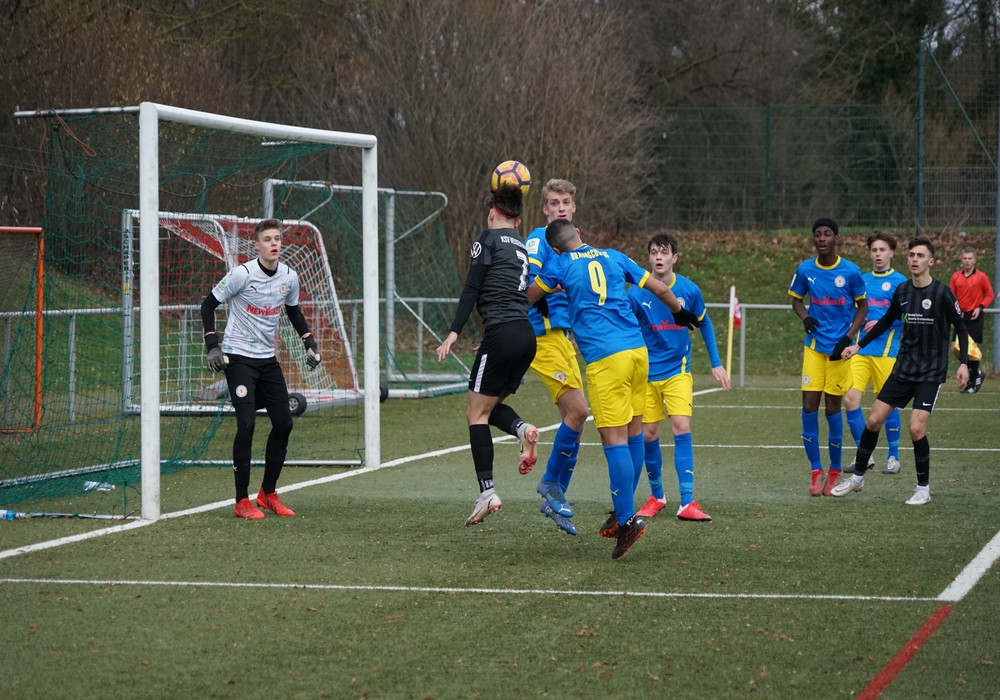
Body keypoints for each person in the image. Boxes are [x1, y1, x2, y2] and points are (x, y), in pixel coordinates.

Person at [527, 219, 700, 560]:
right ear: (580, 235)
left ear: (556, 249)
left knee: (614, 440)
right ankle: (624, 512)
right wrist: (680, 313)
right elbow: (660, 288)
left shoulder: (559, 263)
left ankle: (626, 521)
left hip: (606, 358)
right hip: (638, 353)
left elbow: (528, 297)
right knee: (634, 434)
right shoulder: (614, 256)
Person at [832, 237, 969, 505]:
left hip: (930, 372)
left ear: (931, 261)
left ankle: (923, 489)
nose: (915, 259)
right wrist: (858, 346)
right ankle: (857, 478)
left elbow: (961, 327)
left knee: (916, 428)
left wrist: (963, 363)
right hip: (904, 368)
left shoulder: (941, 293)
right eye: (912, 255)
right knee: (873, 421)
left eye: (920, 255)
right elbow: (886, 321)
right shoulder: (903, 291)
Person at [201, 218, 322, 519]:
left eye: (277, 238)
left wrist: (310, 343)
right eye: (267, 239)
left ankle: (268, 493)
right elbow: (208, 305)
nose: (274, 243)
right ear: (256, 245)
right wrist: (213, 346)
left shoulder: (289, 277)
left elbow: (294, 312)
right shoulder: (241, 275)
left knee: (284, 423)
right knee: (247, 424)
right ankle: (241, 501)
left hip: (267, 360)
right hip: (238, 359)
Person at [436, 185, 539, 527]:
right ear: (518, 220)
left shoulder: (487, 239)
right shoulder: (521, 245)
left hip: (501, 333)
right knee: (488, 407)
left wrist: (454, 331)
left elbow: (472, 287)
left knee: (475, 414)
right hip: (525, 336)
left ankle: (487, 492)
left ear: (492, 211)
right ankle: (522, 429)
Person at [628, 232, 730, 522]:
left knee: (681, 427)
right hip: (647, 373)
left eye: (664, 252)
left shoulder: (688, 289)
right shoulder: (636, 293)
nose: (658, 257)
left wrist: (716, 363)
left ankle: (687, 501)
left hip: (678, 370)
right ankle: (657, 496)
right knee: (649, 434)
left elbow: (704, 322)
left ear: (675, 257)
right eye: (654, 253)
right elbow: (626, 327)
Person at [523, 178, 590, 536]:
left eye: (566, 202)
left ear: (573, 207)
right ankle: (550, 484)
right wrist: (559, 281)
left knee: (575, 420)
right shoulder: (539, 239)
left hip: (562, 338)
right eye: (554, 202)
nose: (560, 207)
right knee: (579, 411)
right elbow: (529, 282)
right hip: (541, 338)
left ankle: (556, 495)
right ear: (545, 209)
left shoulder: (574, 242)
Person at [788, 218, 868, 497]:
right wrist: (805, 317)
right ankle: (816, 470)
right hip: (814, 347)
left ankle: (835, 471)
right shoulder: (805, 269)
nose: (822, 239)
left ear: (836, 238)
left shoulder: (851, 271)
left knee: (833, 410)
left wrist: (849, 336)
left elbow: (863, 306)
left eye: (827, 234)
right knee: (808, 408)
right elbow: (796, 300)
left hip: (839, 352)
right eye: (817, 235)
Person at [843, 232, 908, 476]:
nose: (878, 254)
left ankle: (893, 457)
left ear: (891, 253)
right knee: (850, 400)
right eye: (874, 250)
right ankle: (865, 455)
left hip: (887, 353)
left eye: (882, 250)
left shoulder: (901, 283)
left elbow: (907, 317)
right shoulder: (862, 281)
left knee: (887, 405)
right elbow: (853, 311)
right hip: (861, 351)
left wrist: (884, 323)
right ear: (870, 253)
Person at [949, 246, 993, 394]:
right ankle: (976, 373)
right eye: (965, 258)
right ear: (961, 260)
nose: (967, 261)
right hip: (960, 316)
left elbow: (989, 294)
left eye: (970, 258)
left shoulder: (981, 277)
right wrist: (956, 310)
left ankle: (972, 383)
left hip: (974, 316)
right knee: (955, 348)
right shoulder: (956, 276)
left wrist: (980, 307)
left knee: (972, 350)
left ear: (975, 260)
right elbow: (951, 296)